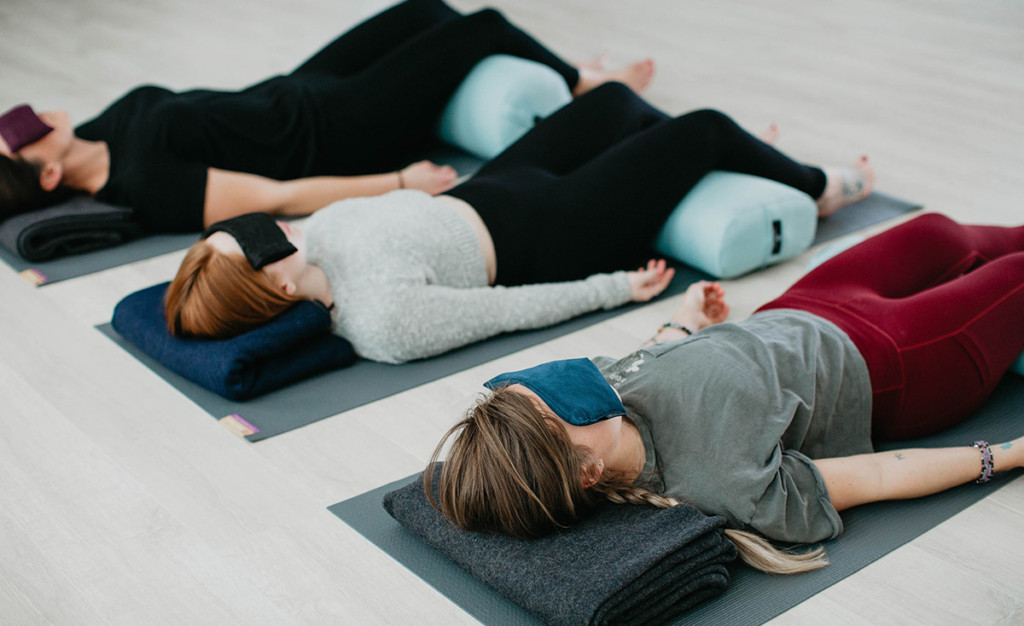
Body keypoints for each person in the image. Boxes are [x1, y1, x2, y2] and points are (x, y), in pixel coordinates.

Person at [426, 212, 1024, 573]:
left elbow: (644, 358)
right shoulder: (722, 482)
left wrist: (685, 321)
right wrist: (1007, 455)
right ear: (588, 473)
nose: (551, 387)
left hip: (805, 306)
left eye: (528, 391)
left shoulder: (601, 395)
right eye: (552, 408)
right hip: (896, 364)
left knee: (937, 232)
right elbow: (880, 475)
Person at [165, 83, 874, 364]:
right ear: (276, 292)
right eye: (256, 246)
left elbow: (333, 209)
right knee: (707, 126)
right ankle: (817, 190)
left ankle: (729, 165)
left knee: (617, 102)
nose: (267, 228)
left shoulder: (311, 236)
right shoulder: (379, 322)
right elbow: (506, 312)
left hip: (494, 188)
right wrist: (614, 289)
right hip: (558, 234)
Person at [0, 0, 656, 232]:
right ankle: (587, 85)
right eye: (26, 137)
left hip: (300, 89)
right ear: (50, 175)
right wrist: (398, 183)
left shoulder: (92, 133)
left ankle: (578, 74)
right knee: (482, 24)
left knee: (426, 7)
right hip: (338, 131)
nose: (32, 119)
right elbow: (278, 197)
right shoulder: (148, 187)